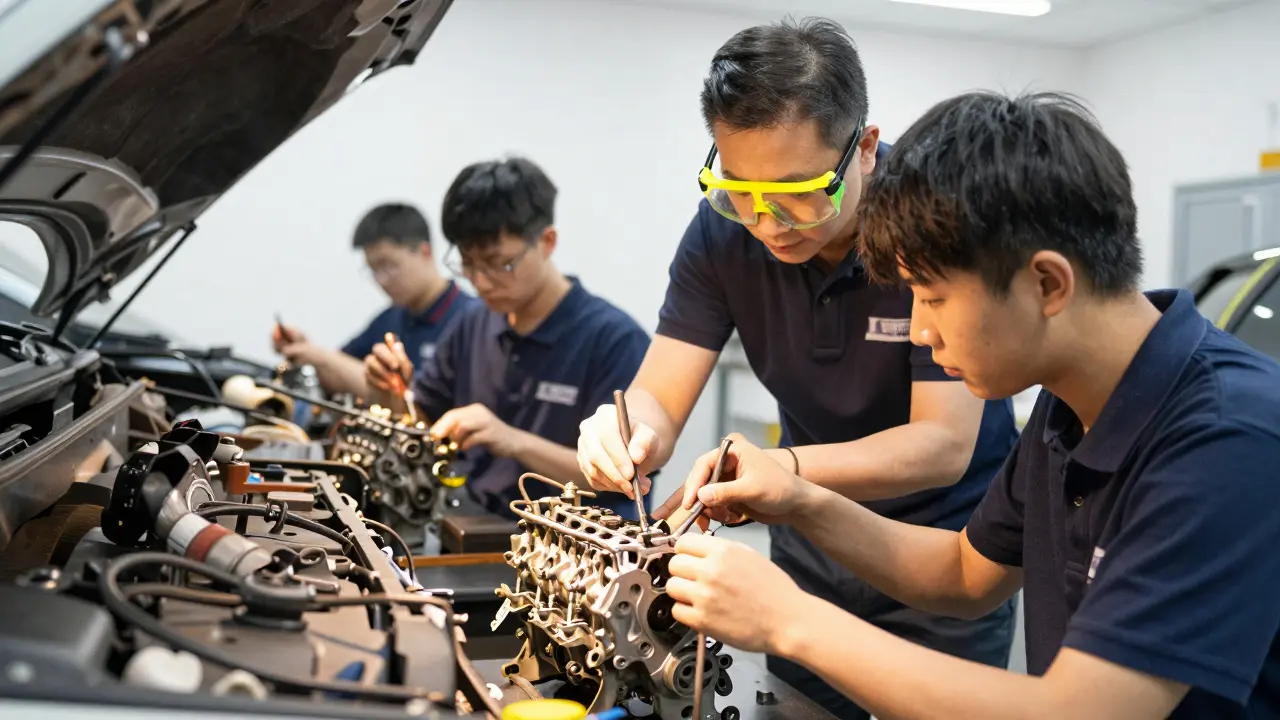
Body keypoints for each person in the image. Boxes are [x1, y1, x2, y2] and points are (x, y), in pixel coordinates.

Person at [662, 90, 1280, 719]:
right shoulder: (1069, 406)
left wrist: (788, 620)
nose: (921, 333)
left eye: (932, 299)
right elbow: (964, 573)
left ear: (1047, 283)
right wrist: (798, 499)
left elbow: (1081, 712)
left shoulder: (1229, 439)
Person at [574, 17, 1019, 717]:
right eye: (740, 192)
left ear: (864, 149)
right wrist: (627, 430)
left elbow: (942, 445)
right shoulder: (722, 233)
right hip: (810, 547)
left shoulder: (932, 218)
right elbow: (659, 393)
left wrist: (782, 470)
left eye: (797, 191)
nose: (768, 223)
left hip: (944, 550)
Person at [364, 157, 651, 520]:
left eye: (500, 264)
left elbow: (625, 478)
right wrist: (389, 391)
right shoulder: (473, 323)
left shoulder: (615, 340)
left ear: (547, 242)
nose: (481, 281)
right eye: (468, 264)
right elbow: (419, 419)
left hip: (577, 542)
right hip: (472, 528)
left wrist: (513, 441)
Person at [272, 202, 477, 396]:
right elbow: (339, 367)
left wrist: (323, 358)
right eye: (373, 270)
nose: (382, 280)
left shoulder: (470, 321)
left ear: (425, 252)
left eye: (388, 265)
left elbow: (424, 400)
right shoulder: (390, 319)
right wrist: (307, 352)